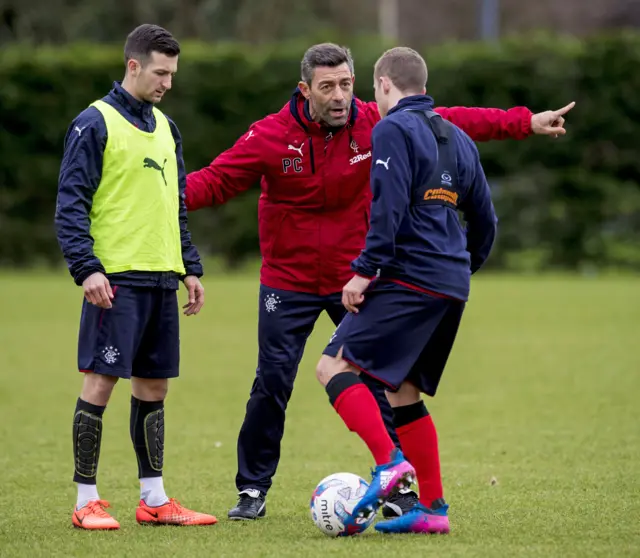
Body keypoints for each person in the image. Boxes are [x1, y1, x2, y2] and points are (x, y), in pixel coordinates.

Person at [185, 43, 574, 521]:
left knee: (377, 380)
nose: (339, 96)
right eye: (327, 86)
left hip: (359, 275)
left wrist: (524, 122)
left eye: (346, 84)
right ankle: (252, 488)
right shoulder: (271, 135)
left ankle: (398, 486)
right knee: (272, 382)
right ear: (304, 89)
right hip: (289, 281)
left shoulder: (378, 123)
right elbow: (214, 181)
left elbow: (450, 121)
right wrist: (163, 195)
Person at [315, 45, 501, 535]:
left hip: (409, 275)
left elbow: (388, 208)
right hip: (450, 281)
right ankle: (432, 511)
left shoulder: (391, 128)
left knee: (332, 366)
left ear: (382, 85)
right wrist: (460, 269)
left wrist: (364, 270)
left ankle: (388, 463)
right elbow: (485, 220)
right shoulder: (460, 139)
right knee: (402, 390)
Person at [55, 24, 216, 530]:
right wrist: (87, 269)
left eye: (172, 73)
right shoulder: (93, 122)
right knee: (100, 382)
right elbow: (70, 205)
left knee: (154, 387)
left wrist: (189, 266)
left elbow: (176, 206)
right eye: (160, 72)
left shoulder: (168, 128)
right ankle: (86, 500)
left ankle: (154, 498)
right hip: (114, 280)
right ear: (133, 66)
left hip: (161, 280)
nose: (167, 82)